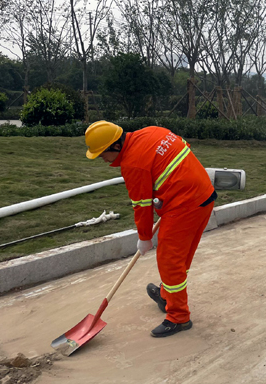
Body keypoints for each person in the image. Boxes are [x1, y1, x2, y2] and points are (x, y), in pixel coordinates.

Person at [85, 121, 217, 338]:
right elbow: (184, 149)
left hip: (185, 205)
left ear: (116, 146)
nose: (102, 159)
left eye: (102, 154)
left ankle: (178, 317)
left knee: (170, 260)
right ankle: (166, 296)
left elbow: (142, 205)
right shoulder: (152, 132)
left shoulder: (132, 164)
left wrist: (144, 237)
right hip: (204, 194)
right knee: (180, 258)